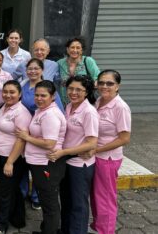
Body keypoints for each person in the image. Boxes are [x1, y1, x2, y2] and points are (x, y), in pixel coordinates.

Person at [46, 75, 99, 234]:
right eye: (70, 88)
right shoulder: (69, 106)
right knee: (66, 200)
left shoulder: (89, 112)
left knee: (79, 204)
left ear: (87, 91)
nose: (73, 92)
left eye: (79, 90)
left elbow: (91, 142)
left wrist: (64, 152)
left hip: (79, 164)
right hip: (66, 161)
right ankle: (66, 229)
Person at [16, 80, 67, 234]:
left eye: (43, 95)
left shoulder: (50, 114)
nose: (39, 98)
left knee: (50, 203)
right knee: (46, 201)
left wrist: (26, 137)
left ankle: (50, 230)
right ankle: (47, 229)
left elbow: (49, 143)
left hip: (47, 163)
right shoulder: (41, 110)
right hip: (38, 162)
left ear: (53, 96)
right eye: (36, 95)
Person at [85, 70, 131, 234]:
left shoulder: (120, 107)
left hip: (108, 158)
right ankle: (98, 226)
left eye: (110, 83)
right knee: (97, 195)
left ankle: (106, 230)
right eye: (101, 82)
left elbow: (124, 138)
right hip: (96, 156)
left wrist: (97, 149)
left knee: (106, 197)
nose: (104, 86)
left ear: (118, 86)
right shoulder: (99, 101)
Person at [19, 58, 64, 211]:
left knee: (39, 169)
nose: (32, 71)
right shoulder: (23, 85)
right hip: (25, 131)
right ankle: (23, 193)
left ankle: (37, 197)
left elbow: (58, 114)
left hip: (42, 134)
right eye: (29, 68)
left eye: (36, 68)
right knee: (24, 165)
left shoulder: (47, 89)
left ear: (42, 70)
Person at [0, 80, 32, 233]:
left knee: (6, 192)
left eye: (12, 92)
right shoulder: (3, 107)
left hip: (12, 158)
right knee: (12, 189)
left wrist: (10, 162)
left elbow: (21, 139)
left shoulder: (21, 112)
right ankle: (18, 218)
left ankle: (1, 225)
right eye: (5, 92)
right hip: (0, 155)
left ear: (20, 94)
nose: (8, 95)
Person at [57, 37, 100, 106]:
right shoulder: (60, 63)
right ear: (67, 49)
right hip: (65, 103)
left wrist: (92, 84)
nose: (75, 50)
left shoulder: (88, 61)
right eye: (72, 47)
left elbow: (98, 77)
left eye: (78, 48)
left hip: (84, 102)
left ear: (82, 50)